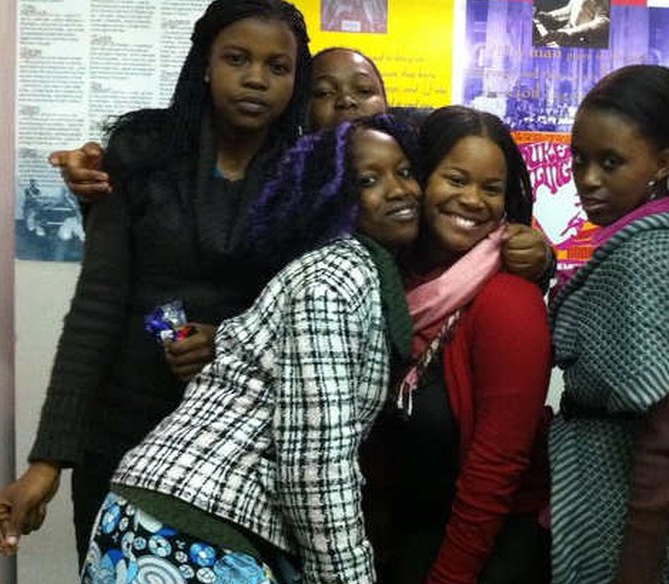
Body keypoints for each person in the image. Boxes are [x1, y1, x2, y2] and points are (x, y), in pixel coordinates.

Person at [0, 0, 313, 563]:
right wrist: (48, 461)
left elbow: (307, 320)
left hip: (237, 453)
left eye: (277, 67)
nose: (256, 78)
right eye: (237, 58)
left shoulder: (307, 178)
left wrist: (231, 341)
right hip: (122, 430)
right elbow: (97, 307)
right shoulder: (142, 151)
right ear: (205, 63)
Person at [81, 114, 422, 584]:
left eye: (405, 172)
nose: (400, 189)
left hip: (167, 520)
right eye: (368, 180)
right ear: (332, 196)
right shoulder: (336, 279)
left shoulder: (361, 274)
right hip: (189, 536)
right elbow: (315, 464)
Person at [50, 46, 555, 284]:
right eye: (323, 92)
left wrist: (541, 254)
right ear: (299, 109)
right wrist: (93, 188)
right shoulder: (276, 186)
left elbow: (479, 209)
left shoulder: (415, 175)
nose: (345, 103)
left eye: (363, 91)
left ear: (387, 104)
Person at [363, 105, 552, 584]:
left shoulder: (509, 300)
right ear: (420, 179)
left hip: (481, 551)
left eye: (491, 189)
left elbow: (497, 469)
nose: (472, 200)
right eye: (455, 179)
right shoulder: (386, 283)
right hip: (400, 541)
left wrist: (449, 578)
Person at [548, 65, 669, 584]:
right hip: (613, 485)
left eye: (611, 162)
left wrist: (637, 567)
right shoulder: (659, 235)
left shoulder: (645, 256)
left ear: (661, 162)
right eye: (578, 159)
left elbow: (660, 437)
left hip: (625, 504)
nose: (588, 178)